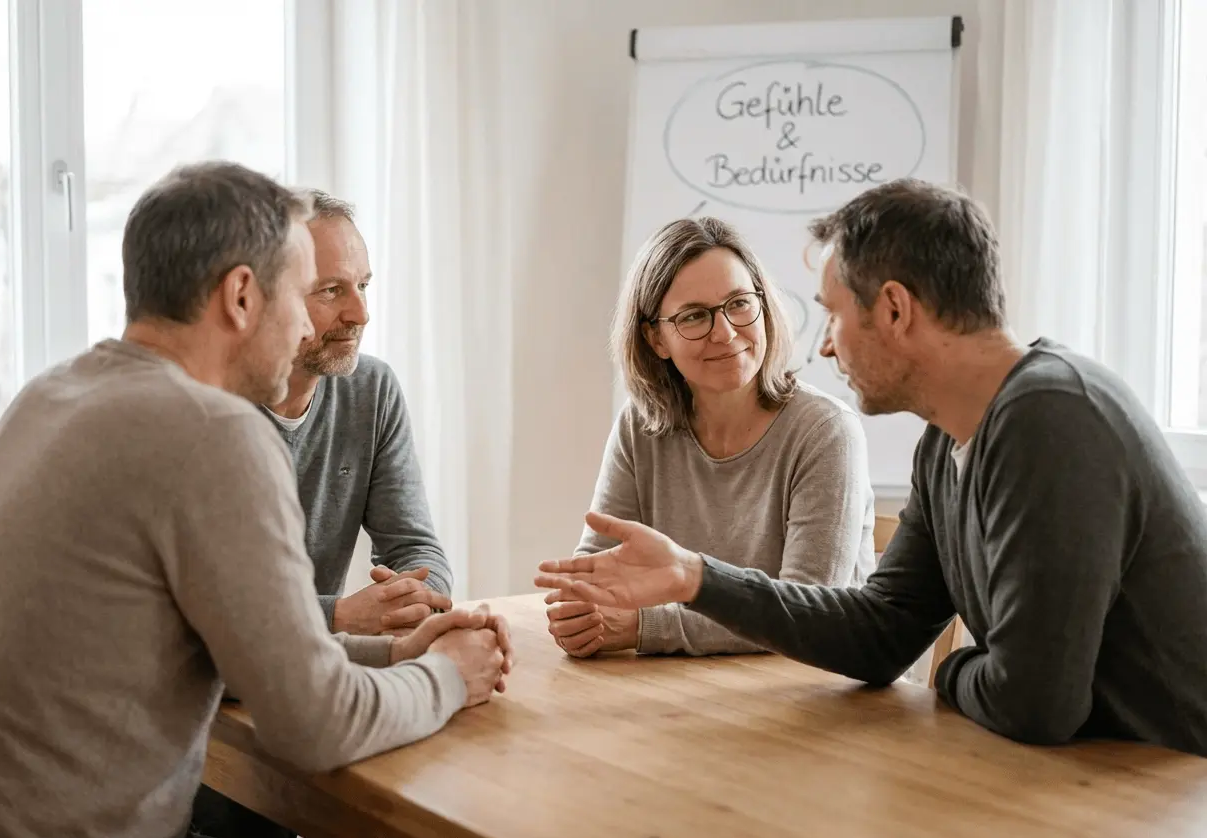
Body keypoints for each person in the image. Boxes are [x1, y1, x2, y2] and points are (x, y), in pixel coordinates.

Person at [0, 161, 512, 838]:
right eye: (306, 296)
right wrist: (449, 673)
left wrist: (393, 653)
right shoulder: (210, 431)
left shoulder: (52, 395)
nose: (308, 328)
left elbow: (226, 653)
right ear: (242, 295)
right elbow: (316, 728)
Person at [535, 178, 1207, 757]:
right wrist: (694, 577)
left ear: (893, 308)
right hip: (1098, 776)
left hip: (1171, 790)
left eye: (833, 314)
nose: (824, 345)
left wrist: (948, 674)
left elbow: (1033, 706)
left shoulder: (1052, 417)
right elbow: (881, 632)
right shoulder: (947, 444)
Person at [544, 217, 874, 657]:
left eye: (739, 303)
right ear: (655, 338)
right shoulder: (639, 425)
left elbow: (808, 612)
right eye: (694, 316)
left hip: (820, 695)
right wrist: (580, 611)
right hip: (689, 690)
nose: (725, 332)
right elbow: (595, 575)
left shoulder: (825, 431)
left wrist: (644, 626)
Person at [258, 190, 453, 638]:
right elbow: (214, 612)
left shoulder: (371, 389)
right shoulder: (208, 410)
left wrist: (415, 600)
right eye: (331, 291)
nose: (360, 314)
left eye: (363, 286)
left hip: (313, 666)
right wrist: (339, 617)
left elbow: (415, 546)